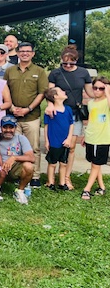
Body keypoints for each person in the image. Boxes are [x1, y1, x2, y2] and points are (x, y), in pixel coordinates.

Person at [47, 45, 92, 190]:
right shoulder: (55, 73)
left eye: (70, 63)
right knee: (57, 145)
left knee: (71, 147)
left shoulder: (83, 73)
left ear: (76, 60)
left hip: (74, 113)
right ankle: (52, 178)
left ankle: (66, 177)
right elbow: (50, 92)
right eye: (64, 63)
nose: (67, 65)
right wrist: (49, 105)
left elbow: (90, 92)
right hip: (58, 113)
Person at [4, 41, 48, 187]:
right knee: (14, 147)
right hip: (13, 116)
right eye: (22, 51)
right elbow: (5, 90)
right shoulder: (10, 71)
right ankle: (16, 174)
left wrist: (28, 108)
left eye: (28, 51)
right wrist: (12, 107)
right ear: (17, 53)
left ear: (32, 53)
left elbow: (42, 93)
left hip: (31, 116)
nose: (25, 53)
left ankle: (34, 176)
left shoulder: (39, 71)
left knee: (33, 147)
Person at [0, 115, 34, 205]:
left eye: (11, 127)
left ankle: (20, 191)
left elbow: (31, 157)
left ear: (15, 128)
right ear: (1, 128)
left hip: (13, 168)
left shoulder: (21, 138)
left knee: (29, 166)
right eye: (5, 127)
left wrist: (14, 158)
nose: (8, 130)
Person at [80, 77, 110, 200]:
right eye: (95, 88)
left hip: (102, 138)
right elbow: (91, 120)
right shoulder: (91, 103)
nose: (97, 91)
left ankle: (86, 189)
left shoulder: (107, 102)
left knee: (96, 165)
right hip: (91, 136)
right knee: (94, 164)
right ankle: (102, 187)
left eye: (101, 88)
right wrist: (85, 135)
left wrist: (108, 93)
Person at [43, 87, 74, 191]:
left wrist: (69, 138)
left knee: (63, 163)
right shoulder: (49, 112)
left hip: (65, 141)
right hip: (54, 141)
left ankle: (62, 183)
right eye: (61, 91)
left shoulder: (68, 109)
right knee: (52, 163)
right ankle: (50, 182)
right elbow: (46, 126)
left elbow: (71, 124)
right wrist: (47, 140)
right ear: (55, 96)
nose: (64, 91)